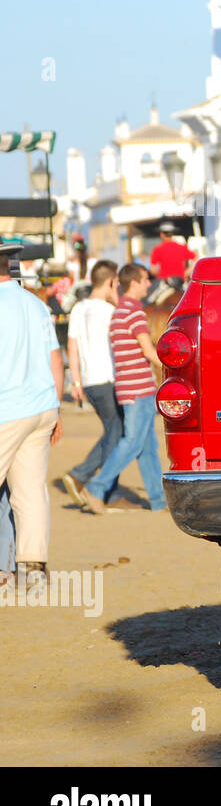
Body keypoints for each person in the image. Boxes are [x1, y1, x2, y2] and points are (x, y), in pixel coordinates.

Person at [0, 242, 64, 590]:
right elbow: (56, 361)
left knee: (25, 494)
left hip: (7, 410)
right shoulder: (36, 304)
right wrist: (57, 411)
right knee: (30, 493)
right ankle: (34, 573)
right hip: (41, 406)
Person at [82, 264, 166, 515]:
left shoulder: (119, 311)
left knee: (148, 447)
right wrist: (176, 366)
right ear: (134, 283)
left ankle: (159, 500)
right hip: (139, 388)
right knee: (131, 443)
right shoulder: (134, 312)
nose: (148, 284)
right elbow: (148, 351)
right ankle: (96, 488)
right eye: (144, 280)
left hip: (128, 387)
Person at [63, 259, 124, 507]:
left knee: (113, 432)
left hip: (88, 381)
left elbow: (72, 346)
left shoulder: (79, 308)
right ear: (111, 282)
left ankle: (90, 478)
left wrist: (76, 381)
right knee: (117, 433)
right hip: (107, 378)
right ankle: (91, 481)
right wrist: (118, 299)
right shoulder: (110, 312)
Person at [149, 221, 195, 287]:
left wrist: (160, 275)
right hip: (181, 282)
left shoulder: (157, 249)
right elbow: (196, 259)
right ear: (172, 234)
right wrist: (185, 273)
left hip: (165, 283)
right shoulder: (182, 247)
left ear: (161, 234)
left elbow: (152, 269)